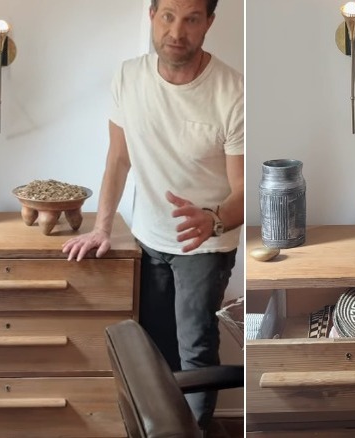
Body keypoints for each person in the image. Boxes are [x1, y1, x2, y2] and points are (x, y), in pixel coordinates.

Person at [61, 0, 243, 431]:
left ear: (209, 24)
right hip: (147, 236)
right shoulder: (128, 76)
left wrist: (213, 218)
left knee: (194, 351)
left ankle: (192, 432)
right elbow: (118, 159)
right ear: (152, 16)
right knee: (153, 351)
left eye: (191, 19)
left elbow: (241, 194)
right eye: (168, 16)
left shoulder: (233, 92)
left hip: (205, 245)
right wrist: (101, 226)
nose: (176, 31)